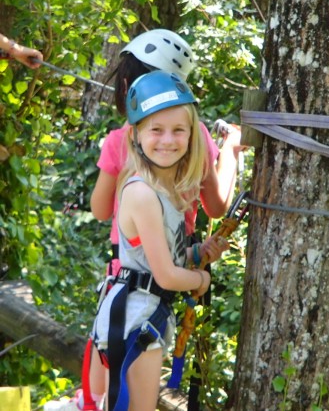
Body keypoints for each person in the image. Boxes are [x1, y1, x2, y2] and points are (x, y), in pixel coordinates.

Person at [74, 29, 244, 411]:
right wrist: (231, 152)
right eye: (156, 130)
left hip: (124, 278)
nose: (166, 139)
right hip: (144, 293)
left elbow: (101, 211)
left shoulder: (121, 139)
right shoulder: (191, 135)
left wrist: (198, 254)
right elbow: (217, 207)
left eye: (175, 131)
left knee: (103, 396)